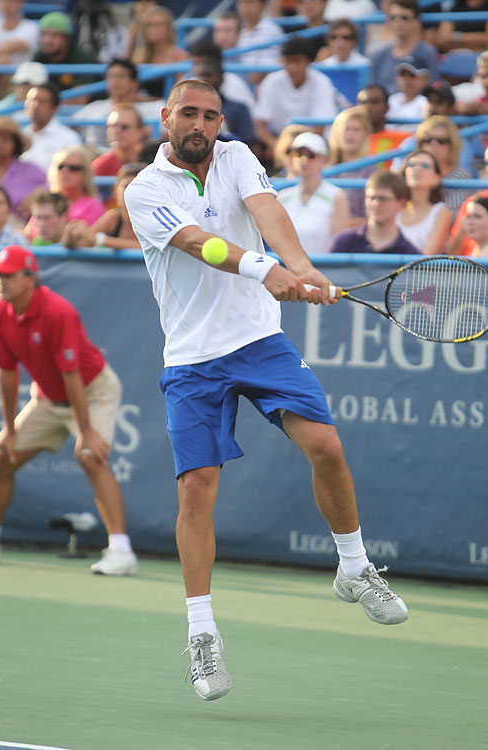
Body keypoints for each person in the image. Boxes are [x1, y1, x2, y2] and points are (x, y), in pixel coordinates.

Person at [124, 79, 408, 703]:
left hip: (258, 340)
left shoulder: (237, 156)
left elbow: (267, 212)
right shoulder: (143, 190)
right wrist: (264, 269)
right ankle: (202, 632)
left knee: (326, 447)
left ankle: (354, 567)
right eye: (189, 114)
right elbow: (195, 242)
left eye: (211, 116)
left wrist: (299, 266)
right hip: (192, 358)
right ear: (166, 117)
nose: (200, 125)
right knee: (197, 490)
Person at [0, 245, 138, 575]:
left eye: (8, 276)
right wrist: (10, 431)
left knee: (90, 456)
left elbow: (72, 376)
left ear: (30, 278)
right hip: (47, 400)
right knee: (2, 453)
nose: (1, 281)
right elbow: (6, 372)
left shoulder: (58, 312)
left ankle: (121, 551)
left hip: (93, 392)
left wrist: (86, 432)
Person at [254, 36, 339, 161]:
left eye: (298, 61)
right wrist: (276, 146)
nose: (292, 67)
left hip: (313, 148)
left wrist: (296, 151)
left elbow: (319, 128)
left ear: (309, 61)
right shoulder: (271, 82)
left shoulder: (322, 83)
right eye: (289, 61)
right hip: (279, 144)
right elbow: (260, 125)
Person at [277, 131, 350, 255]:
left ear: (323, 160)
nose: (304, 159)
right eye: (298, 154)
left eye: (311, 155)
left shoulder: (337, 196)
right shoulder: (283, 197)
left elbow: (340, 244)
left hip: (323, 265)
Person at [71, 59, 165, 152]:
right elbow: (69, 126)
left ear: (134, 83)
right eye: (111, 76)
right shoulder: (94, 108)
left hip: (139, 158)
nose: (115, 80)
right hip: (96, 158)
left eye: (121, 76)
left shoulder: (154, 109)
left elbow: (168, 134)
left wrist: (148, 132)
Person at [328, 170, 420, 254]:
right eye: (371, 198)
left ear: (401, 204)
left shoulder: (410, 253)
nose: (376, 203)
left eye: (383, 199)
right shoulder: (343, 242)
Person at [61, 163, 142, 251]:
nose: (131, 193)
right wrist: (71, 238)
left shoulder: (151, 217)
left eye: (138, 188)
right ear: (115, 190)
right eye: (127, 186)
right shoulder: (114, 217)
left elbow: (147, 247)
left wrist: (99, 239)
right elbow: (83, 243)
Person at [370, 0, 439, 95]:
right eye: (393, 17)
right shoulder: (378, 55)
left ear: (416, 21)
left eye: (404, 18)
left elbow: (433, 88)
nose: (398, 22)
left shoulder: (428, 53)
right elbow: (372, 92)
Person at [0, 116, 48, 222]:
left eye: (5, 139)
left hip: (19, 227)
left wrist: (37, 195)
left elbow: (49, 187)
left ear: (16, 144)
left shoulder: (30, 170)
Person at [415, 115, 473, 217]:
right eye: (427, 139)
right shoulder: (412, 170)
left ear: (452, 146)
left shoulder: (460, 176)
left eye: (441, 141)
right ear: (420, 144)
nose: (433, 144)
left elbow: (451, 217)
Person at [328, 106, 378, 223]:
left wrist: (342, 226)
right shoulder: (323, 167)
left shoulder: (372, 172)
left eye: (356, 129)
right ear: (336, 133)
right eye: (346, 129)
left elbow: (372, 218)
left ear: (365, 135)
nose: (350, 134)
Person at [397, 150, 452, 253]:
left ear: (436, 178)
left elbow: (427, 257)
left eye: (425, 166)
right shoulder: (393, 207)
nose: (417, 168)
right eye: (412, 165)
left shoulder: (441, 211)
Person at [33, 11, 99, 97]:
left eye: (55, 35)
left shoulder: (83, 57)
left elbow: (81, 97)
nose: (47, 40)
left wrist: (48, 102)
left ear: (67, 39)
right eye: (44, 34)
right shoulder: (40, 56)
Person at [21, 83, 83, 173]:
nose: (35, 105)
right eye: (32, 100)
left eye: (42, 102)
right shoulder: (19, 137)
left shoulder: (69, 138)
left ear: (54, 108)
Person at [191, 58, 255, 145]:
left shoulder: (239, 109)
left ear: (221, 78)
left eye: (208, 75)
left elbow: (249, 143)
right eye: (201, 76)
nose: (204, 80)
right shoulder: (187, 109)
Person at [132, 5, 189, 100]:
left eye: (158, 24)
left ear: (168, 28)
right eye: (148, 25)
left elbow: (181, 94)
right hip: (140, 105)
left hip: (166, 105)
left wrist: (150, 100)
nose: (152, 29)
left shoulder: (179, 56)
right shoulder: (139, 54)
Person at [0, 0, 40, 101]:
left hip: (22, 82)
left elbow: (19, 45)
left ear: (21, 3)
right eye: (3, 1)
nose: (6, 4)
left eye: (11, 1)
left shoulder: (31, 27)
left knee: (2, 59)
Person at [356, 84, 410, 165]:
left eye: (374, 102)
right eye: (362, 102)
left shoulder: (405, 140)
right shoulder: (347, 139)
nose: (367, 107)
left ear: (387, 107)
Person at [235, 0, 284, 86]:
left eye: (249, 2)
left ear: (262, 5)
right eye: (241, 2)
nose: (245, 6)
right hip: (241, 82)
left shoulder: (271, 29)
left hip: (266, 83)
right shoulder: (238, 30)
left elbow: (269, 62)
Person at [386, 56, 429, 129]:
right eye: (402, 75)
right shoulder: (391, 100)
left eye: (412, 75)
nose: (407, 79)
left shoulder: (427, 103)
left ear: (425, 79)